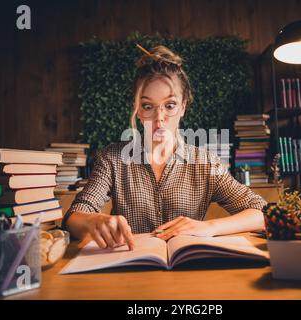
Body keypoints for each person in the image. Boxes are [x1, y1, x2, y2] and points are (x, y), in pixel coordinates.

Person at [63, 45, 267, 250]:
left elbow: (261, 211)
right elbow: (74, 217)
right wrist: (92, 221)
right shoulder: (112, 158)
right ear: (138, 110)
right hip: (131, 270)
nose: (159, 118)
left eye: (169, 105)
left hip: (188, 272)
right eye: (147, 106)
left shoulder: (205, 164)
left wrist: (209, 227)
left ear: (183, 107)